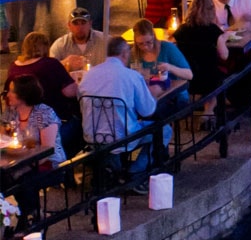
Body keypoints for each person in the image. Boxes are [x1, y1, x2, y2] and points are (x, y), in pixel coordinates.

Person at [78, 37, 170, 178]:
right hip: (123, 137)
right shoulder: (131, 76)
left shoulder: (88, 75)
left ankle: (115, 168)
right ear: (125, 53)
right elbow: (148, 110)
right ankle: (137, 172)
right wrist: (154, 93)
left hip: (92, 137)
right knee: (165, 129)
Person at [2, 76, 66, 225]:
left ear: (23, 95)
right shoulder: (12, 112)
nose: (7, 95)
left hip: (49, 163)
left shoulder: (44, 113)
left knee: (23, 179)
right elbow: (4, 137)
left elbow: (47, 150)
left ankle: (31, 218)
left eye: (11, 91)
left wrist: (20, 161)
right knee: (5, 177)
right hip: (19, 160)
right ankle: (20, 215)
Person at [7, 32, 80, 148]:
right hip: (56, 119)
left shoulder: (14, 67)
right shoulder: (50, 64)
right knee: (81, 123)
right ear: (46, 47)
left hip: (20, 120)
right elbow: (70, 91)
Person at [172, 0, 229, 98]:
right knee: (228, 74)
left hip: (187, 76)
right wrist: (223, 39)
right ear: (211, 10)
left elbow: (175, 48)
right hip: (209, 78)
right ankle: (209, 110)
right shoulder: (213, 30)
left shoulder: (181, 29)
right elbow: (224, 56)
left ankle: (200, 107)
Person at [128, 19, 194, 93]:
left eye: (148, 42)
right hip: (147, 95)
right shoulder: (133, 54)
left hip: (173, 95)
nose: (145, 47)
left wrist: (170, 67)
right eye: (140, 44)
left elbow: (189, 75)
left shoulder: (167, 48)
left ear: (153, 37)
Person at [50, 7, 109, 74]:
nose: (79, 27)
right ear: (69, 25)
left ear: (90, 24)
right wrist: (64, 63)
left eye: (83, 23)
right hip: (71, 84)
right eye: (75, 23)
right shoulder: (60, 45)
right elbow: (49, 70)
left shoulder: (106, 41)